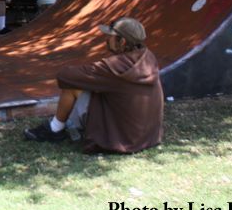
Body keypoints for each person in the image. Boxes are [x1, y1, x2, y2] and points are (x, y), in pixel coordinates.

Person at [24, 17, 164, 154]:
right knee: (91, 87)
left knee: (73, 86)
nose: (107, 39)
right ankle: (64, 125)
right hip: (147, 137)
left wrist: (92, 75)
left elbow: (65, 75)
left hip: (123, 139)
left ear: (122, 41)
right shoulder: (148, 57)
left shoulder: (115, 67)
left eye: (110, 36)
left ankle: (55, 129)